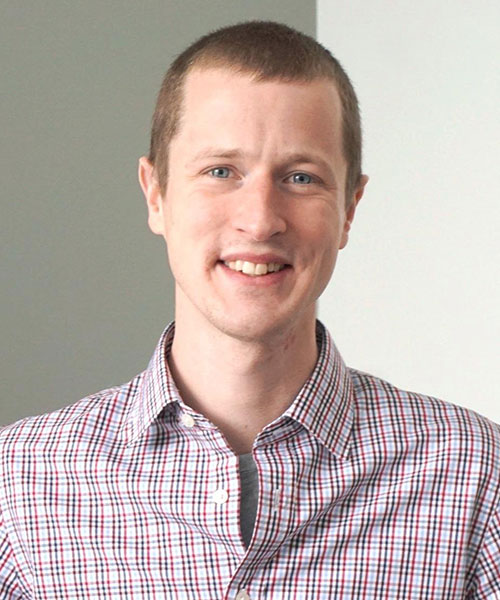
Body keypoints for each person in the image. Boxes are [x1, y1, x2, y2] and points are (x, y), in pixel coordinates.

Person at [1, 21, 499, 600]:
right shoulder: (19, 486)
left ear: (349, 209)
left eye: (300, 177)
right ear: (155, 193)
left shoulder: (476, 479)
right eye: (220, 171)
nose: (260, 219)